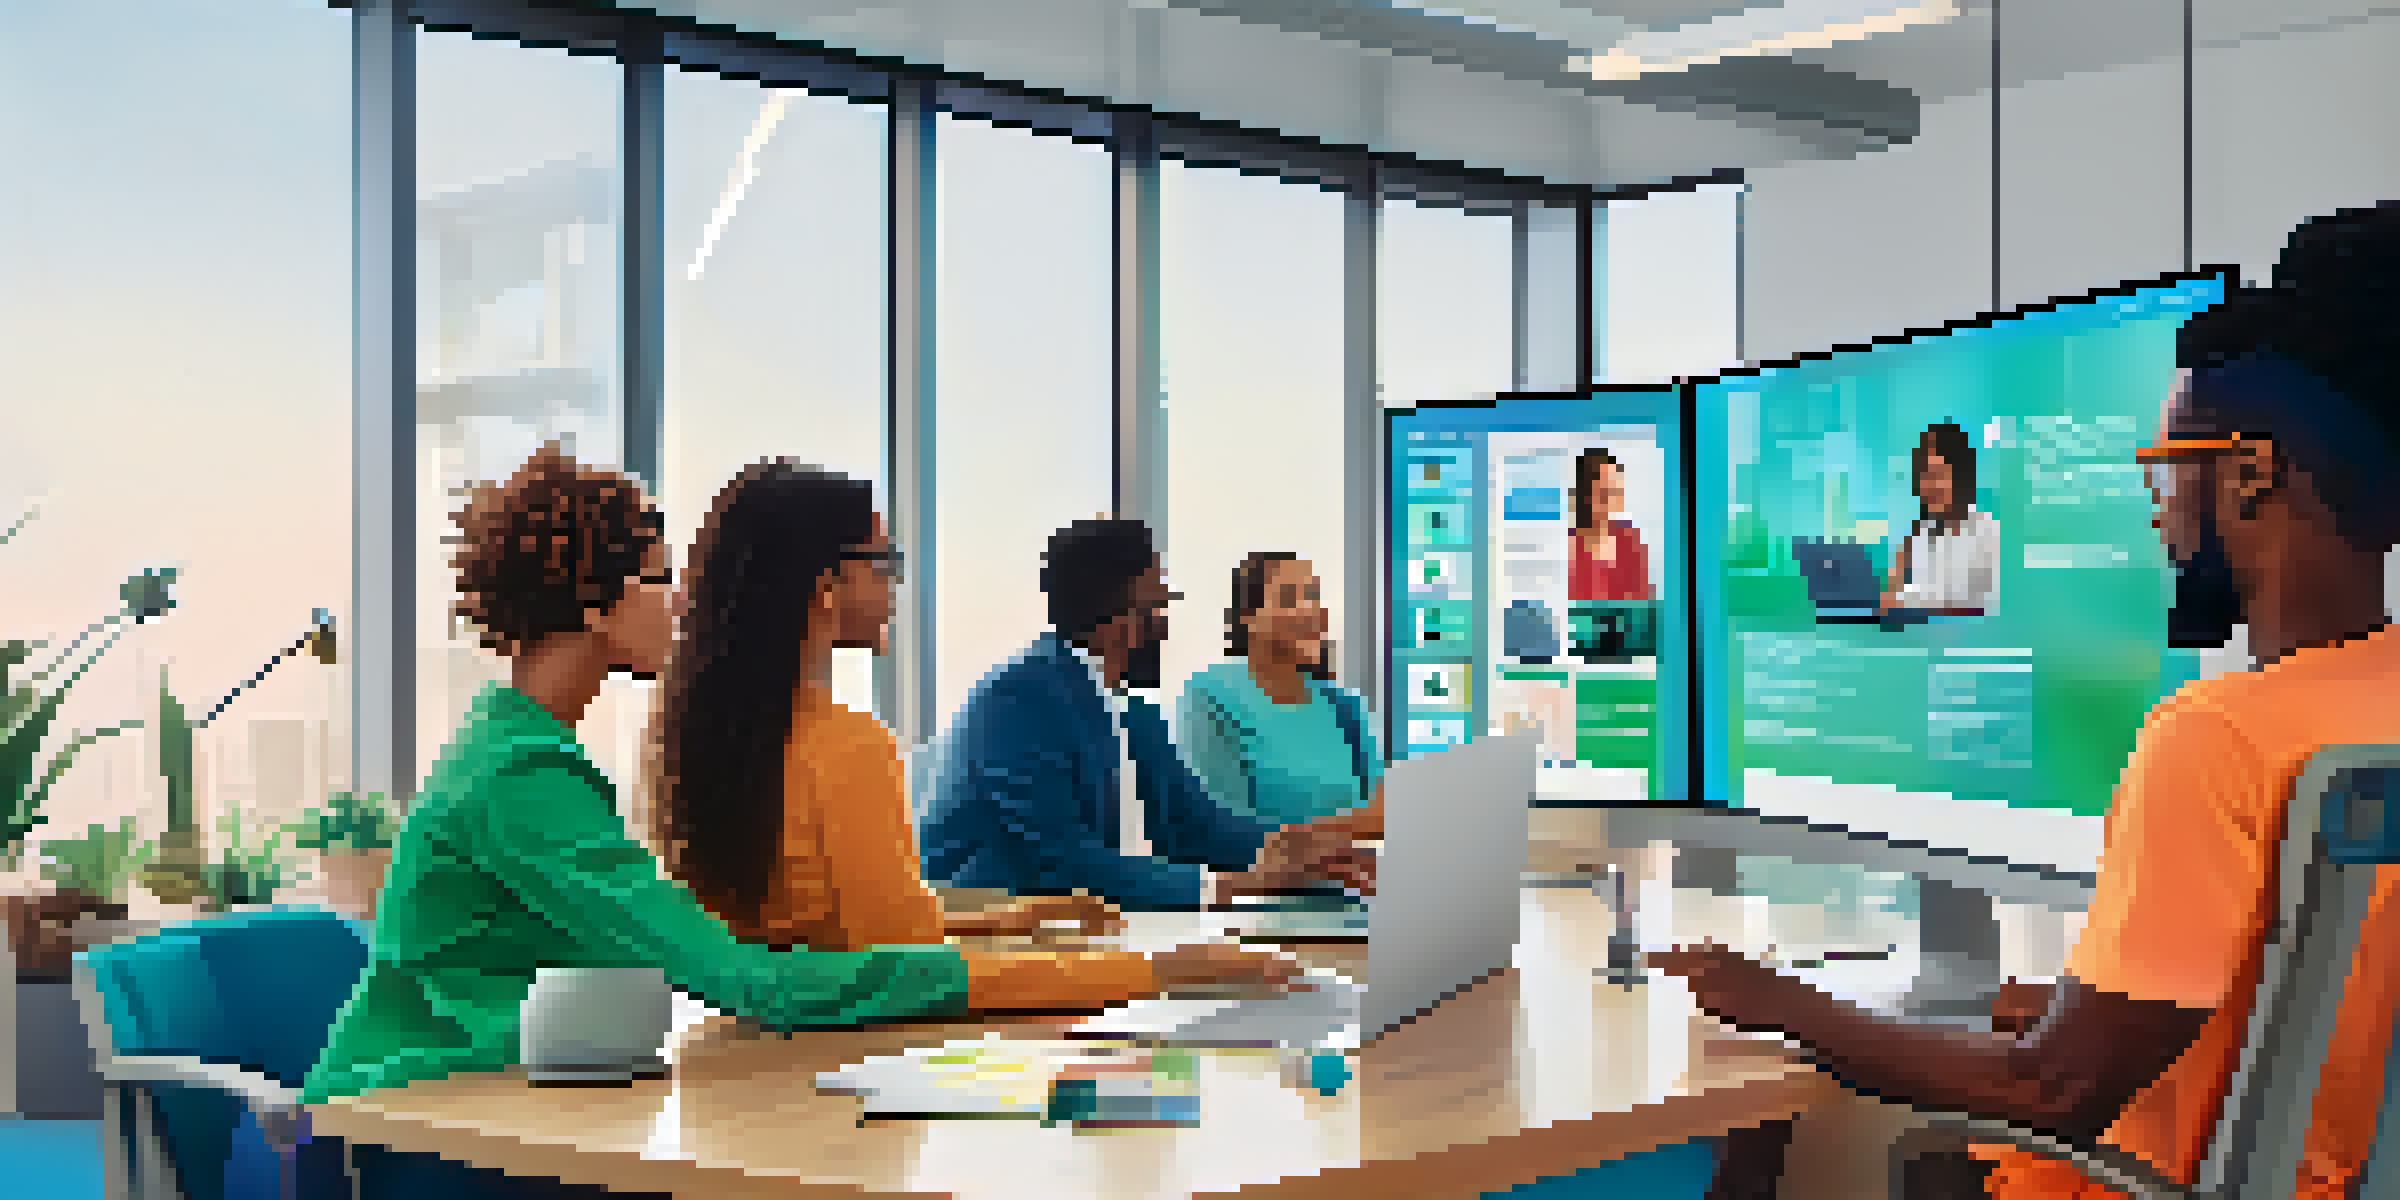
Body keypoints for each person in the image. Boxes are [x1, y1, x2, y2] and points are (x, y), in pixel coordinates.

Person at [1666, 202, 2400, 1200]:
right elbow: (2307, 997)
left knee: (1810, 1153)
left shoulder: (2214, 737)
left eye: (2167, 469)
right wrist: (2077, 1005)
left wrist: (1778, 1000)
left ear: (2251, 471)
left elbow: (2053, 1091)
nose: (2160, 509)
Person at [298, 448, 1290, 1108]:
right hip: (413, 1132)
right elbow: (746, 977)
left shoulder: (521, 750)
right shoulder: (520, 781)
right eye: (655, 574)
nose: (682, 596)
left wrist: (1003, 922)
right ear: (595, 605)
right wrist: (1148, 972)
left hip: (488, 1104)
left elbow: (721, 941)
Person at [649, 462, 1295, 1009]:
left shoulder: (707, 735)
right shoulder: (850, 747)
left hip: (750, 1058)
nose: (897, 583)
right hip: (845, 1067)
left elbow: (827, 941)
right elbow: (914, 973)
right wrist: (1159, 974)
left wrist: (1012, 919)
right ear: (827, 587)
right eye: (885, 562)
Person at [918, 519, 1371, 912]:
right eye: (1161, 606)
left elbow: (1195, 822)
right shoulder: (1018, 699)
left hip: (1095, 922)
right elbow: (1062, 859)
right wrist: (1232, 886)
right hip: (988, 927)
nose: (1167, 627)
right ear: (1124, 617)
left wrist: (1312, 855)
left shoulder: (1130, 709)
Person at [1177, 552, 1383, 830]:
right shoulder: (1210, 697)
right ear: (1249, 617)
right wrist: (1333, 838)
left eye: (1314, 597)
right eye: (1290, 600)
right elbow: (1222, 828)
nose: (1311, 611)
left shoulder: (1345, 708)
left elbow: (1384, 812)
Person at [1878, 423, 2000, 616]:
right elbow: (1889, 602)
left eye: (1937, 475)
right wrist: (1899, 569)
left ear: (1959, 477)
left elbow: (1975, 604)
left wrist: (1902, 600)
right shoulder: (1921, 535)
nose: (1928, 486)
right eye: (1924, 476)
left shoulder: (1987, 531)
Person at [1567, 448, 1655, 603]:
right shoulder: (1567, 545)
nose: (1610, 497)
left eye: (1614, 489)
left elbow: (1643, 599)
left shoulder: (1629, 538)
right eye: (1602, 490)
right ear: (1584, 492)